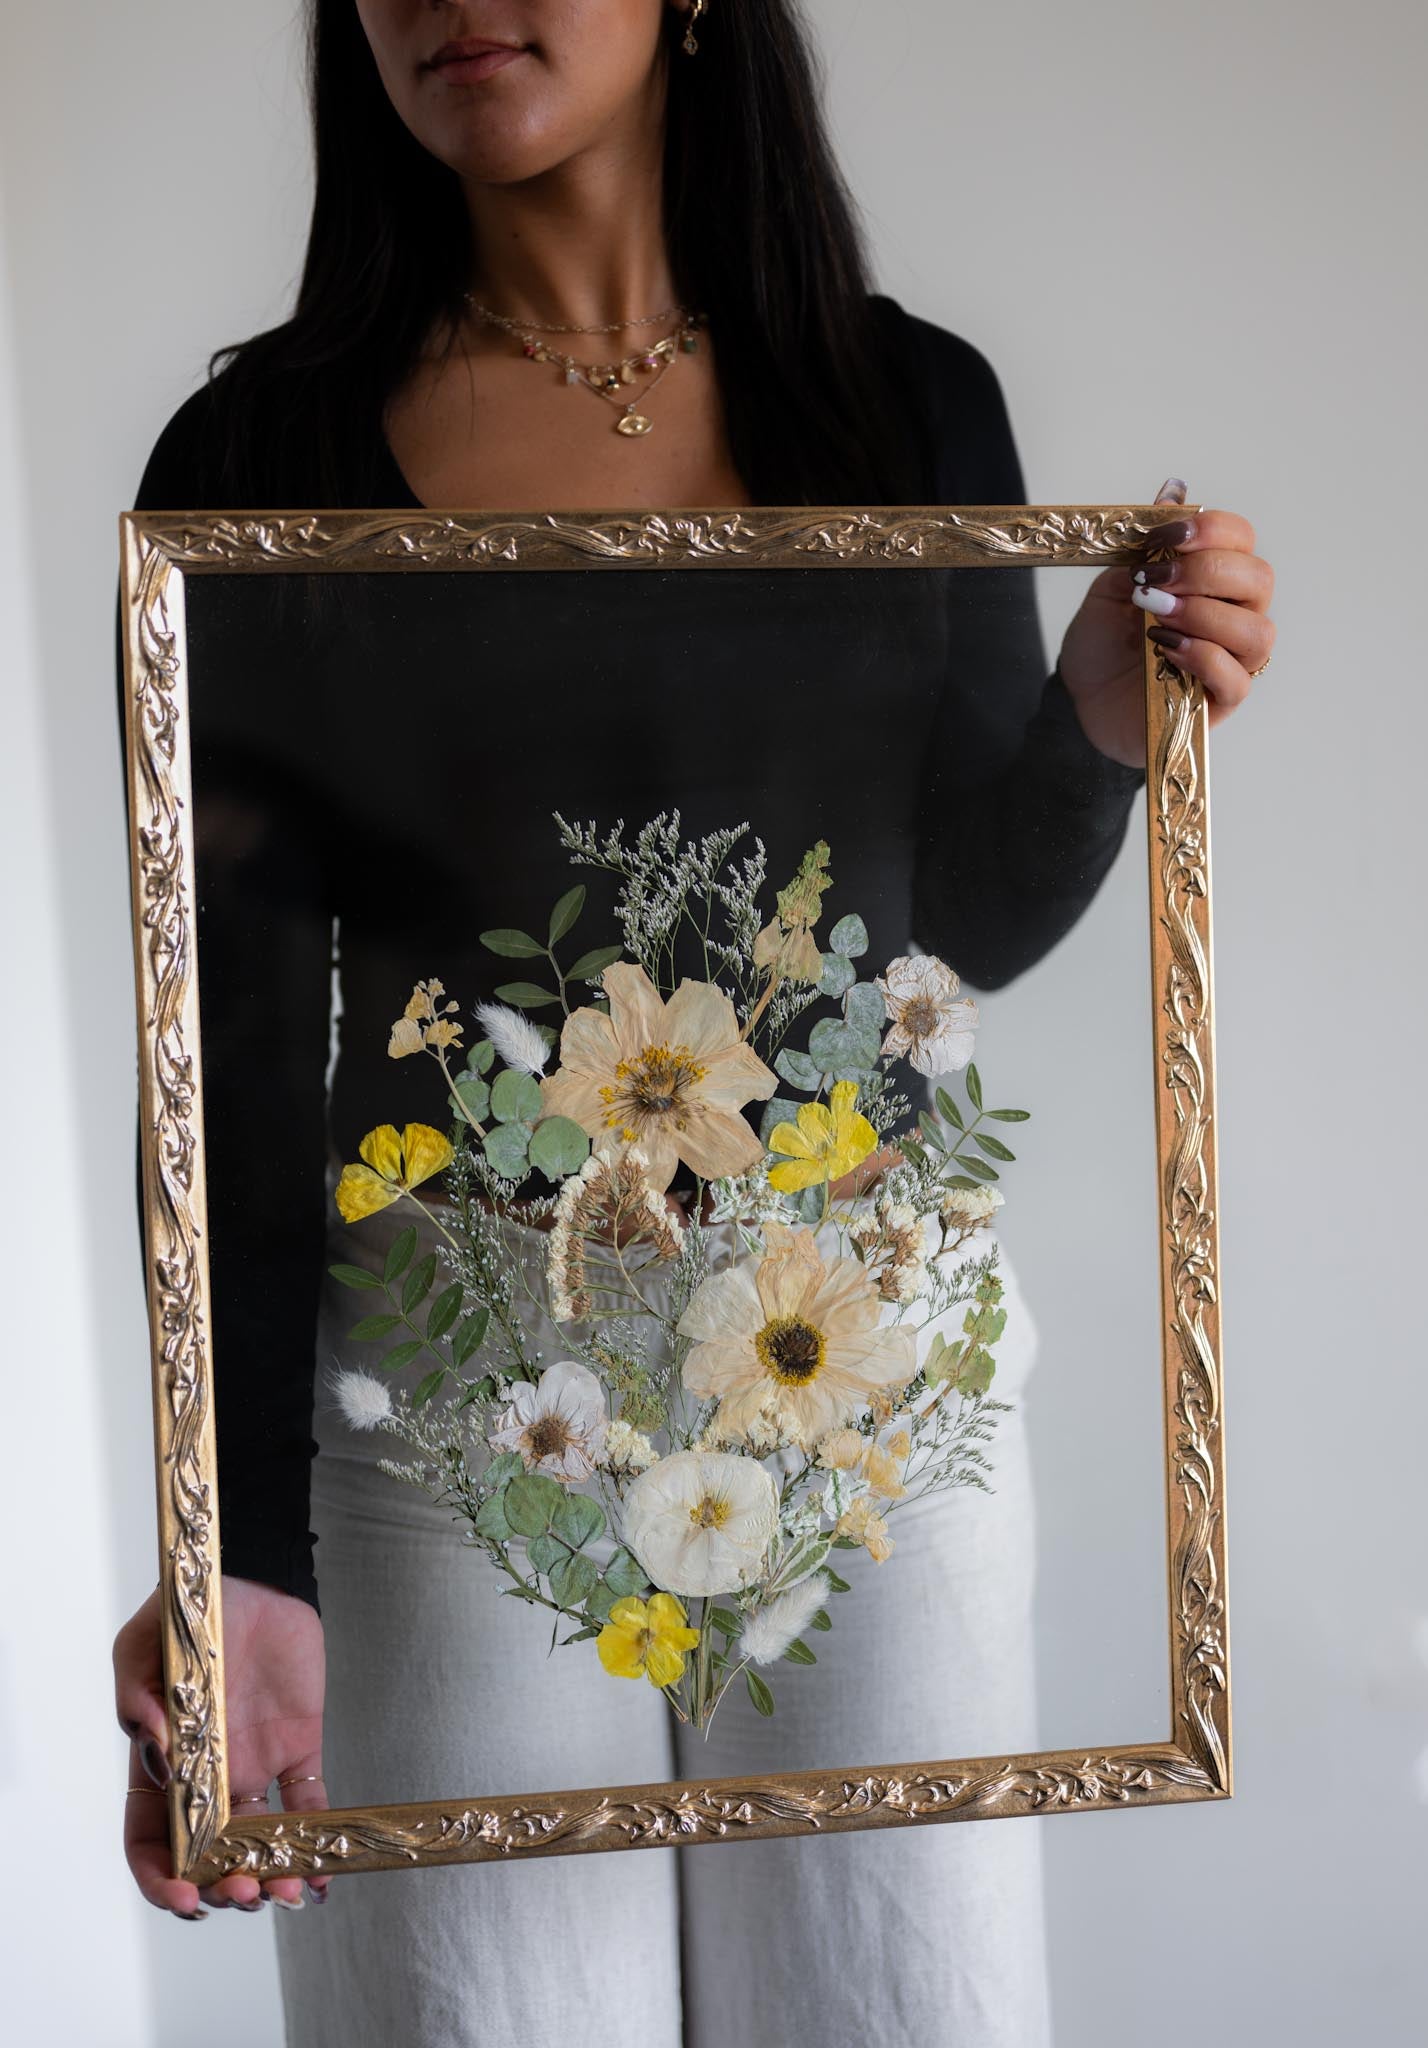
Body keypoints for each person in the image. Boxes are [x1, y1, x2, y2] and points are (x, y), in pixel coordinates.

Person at [112, 3, 1275, 2042]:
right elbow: (217, 1057)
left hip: (868, 1395)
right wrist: (234, 1545)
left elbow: (964, 920)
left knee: (898, 2003)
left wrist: (1106, 721)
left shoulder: (900, 405)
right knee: (476, 2014)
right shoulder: (256, 468)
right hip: (445, 1409)